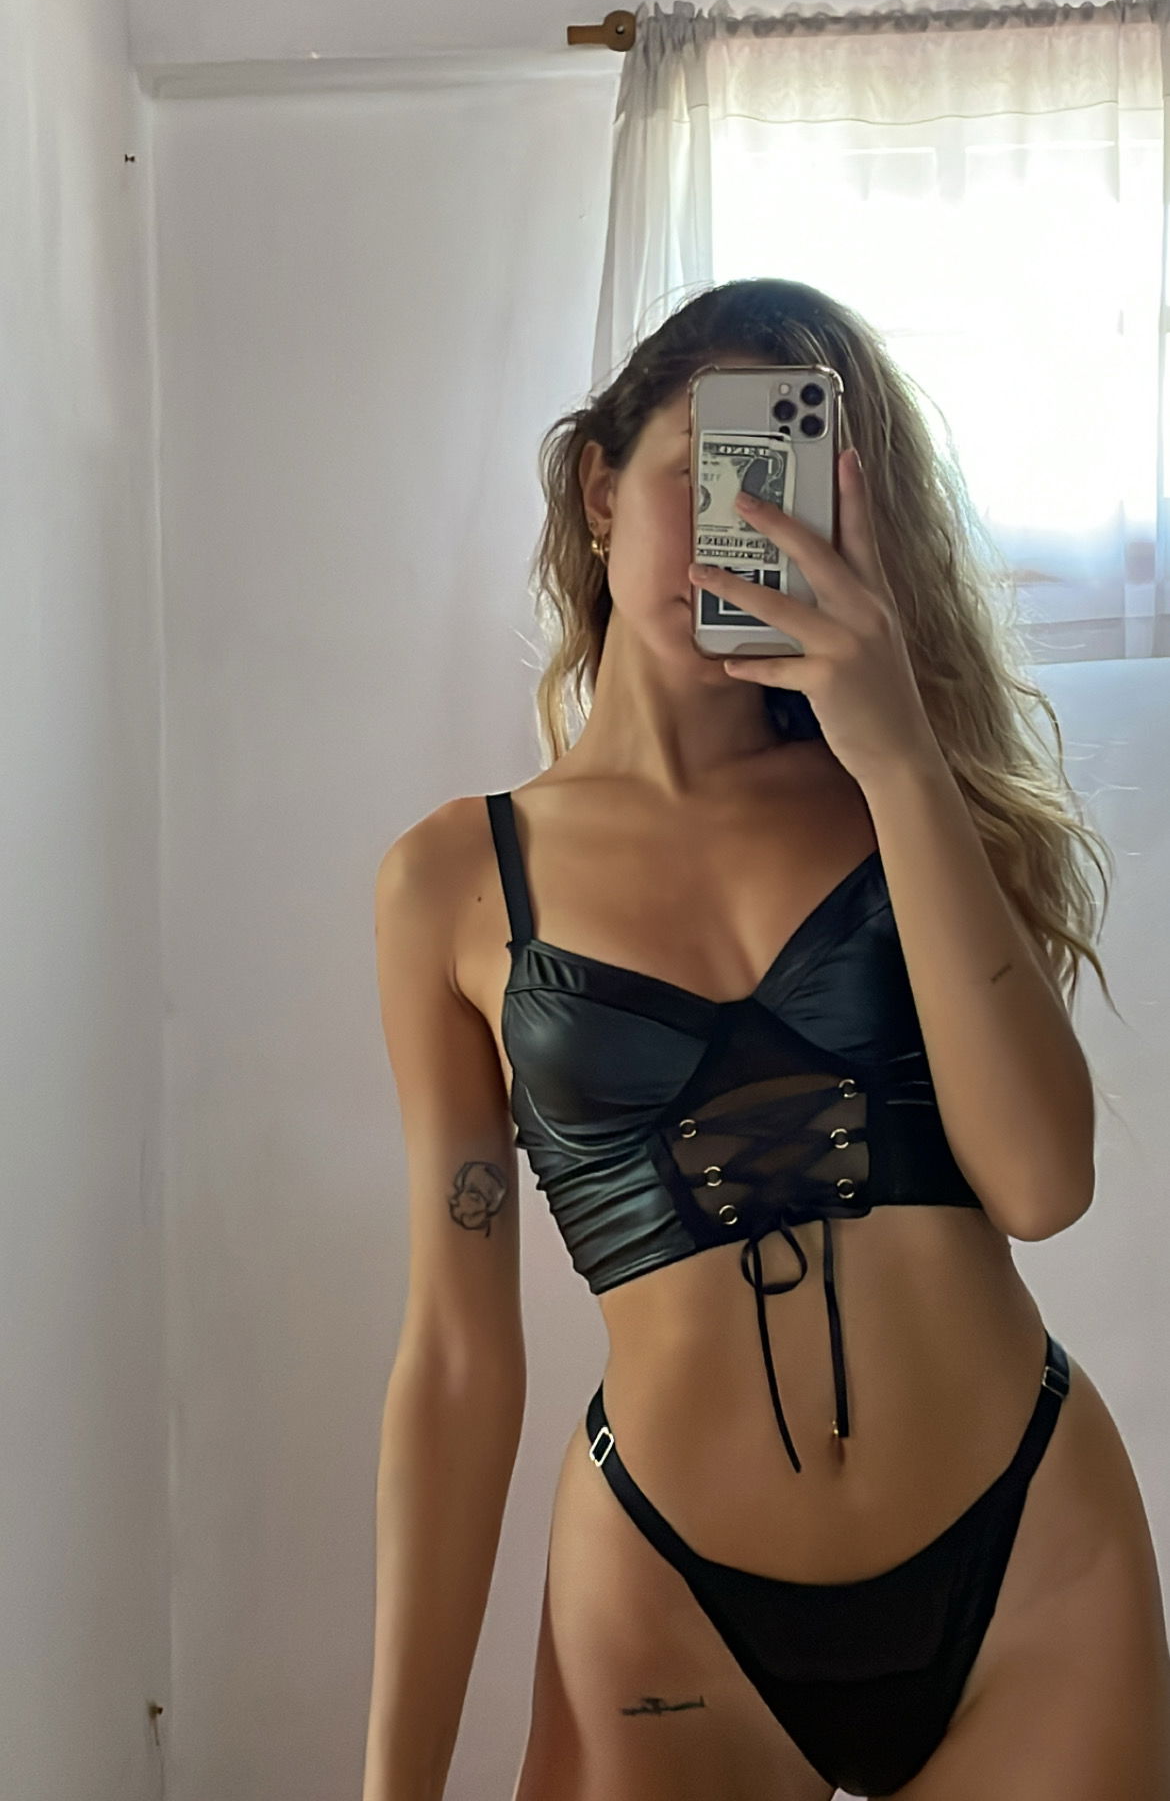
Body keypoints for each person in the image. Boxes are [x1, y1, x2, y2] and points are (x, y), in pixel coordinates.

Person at [363, 280, 1170, 1801]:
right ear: (600, 488)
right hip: (671, 1602)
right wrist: (392, 1784)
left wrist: (897, 749)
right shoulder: (452, 883)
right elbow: (459, 1360)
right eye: (706, 474)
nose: (745, 526)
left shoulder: (904, 801)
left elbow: (1040, 1182)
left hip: (1029, 1571)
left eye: (790, 489)